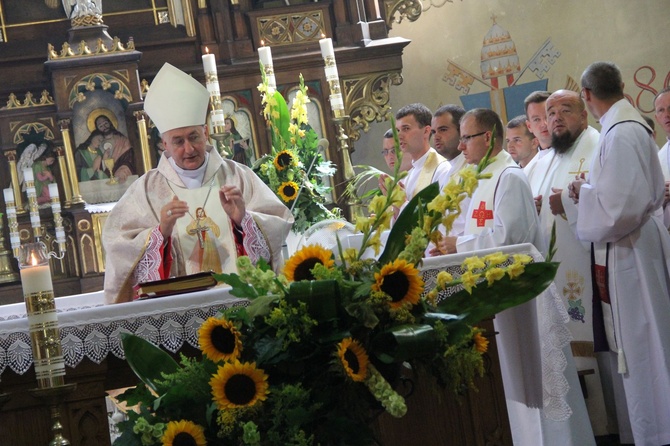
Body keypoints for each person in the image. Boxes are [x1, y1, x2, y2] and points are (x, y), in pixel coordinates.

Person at [438, 108, 594, 446]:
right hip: (500, 298)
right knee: (516, 382)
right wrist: (448, 246)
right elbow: (478, 228)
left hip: (522, 296)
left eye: (468, 137)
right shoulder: (484, 175)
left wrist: (458, 243)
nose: (461, 145)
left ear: (489, 137)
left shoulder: (508, 176)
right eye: (461, 138)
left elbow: (512, 240)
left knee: (539, 385)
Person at [103, 63, 293, 304]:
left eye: (194, 137)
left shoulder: (238, 176)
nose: (189, 148)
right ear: (165, 144)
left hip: (242, 301)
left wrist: (243, 220)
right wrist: (159, 233)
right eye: (178, 141)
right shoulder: (146, 190)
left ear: (205, 132)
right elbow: (118, 244)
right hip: (177, 307)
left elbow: (278, 223)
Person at [570, 61, 670, 446]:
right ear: (622, 86)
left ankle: (658, 430)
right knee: (642, 342)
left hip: (632, 253)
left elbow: (621, 207)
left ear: (588, 96)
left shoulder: (622, 133)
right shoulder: (621, 128)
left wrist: (581, 194)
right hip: (628, 248)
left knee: (646, 341)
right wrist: (591, 190)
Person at [394, 103, 451, 200]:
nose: (399, 136)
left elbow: (440, 213)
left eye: (406, 129)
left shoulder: (442, 170)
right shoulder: (406, 177)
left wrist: (401, 203)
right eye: (398, 130)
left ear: (426, 131)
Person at [96, 114, 136, 183]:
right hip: (106, 178)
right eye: (101, 126)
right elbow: (97, 165)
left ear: (110, 123)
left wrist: (122, 170)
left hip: (122, 173)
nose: (104, 127)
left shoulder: (123, 140)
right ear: (98, 129)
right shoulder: (98, 144)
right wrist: (104, 160)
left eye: (105, 123)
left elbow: (128, 159)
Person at [431, 104, 467, 179]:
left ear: (462, 131)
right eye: (434, 132)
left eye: (443, 130)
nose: (436, 137)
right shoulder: (442, 174)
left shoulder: (473, 169)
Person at [654, 87, 670, 228]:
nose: (667, 115)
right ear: (657, 118)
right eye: (661, 110)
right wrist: (660, 198)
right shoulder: (659, 157)